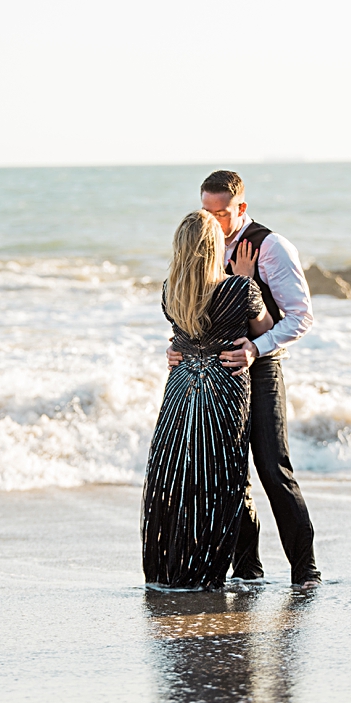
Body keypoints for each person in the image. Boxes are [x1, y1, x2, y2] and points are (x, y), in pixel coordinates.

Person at [168, 170, 322, 589]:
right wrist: (176, 344)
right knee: (230, 475)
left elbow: (301, 317)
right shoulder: (202, 247)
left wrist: (255, 348)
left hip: (262, 366)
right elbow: (193, 309)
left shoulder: (271, 247)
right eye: (207, 212)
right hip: (216, 375)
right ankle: (248, 570)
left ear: (241, 208)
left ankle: (305, 570)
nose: (214, 221)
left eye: (222, 213)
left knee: (274, 469)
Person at [142, 210, 273, 590]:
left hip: (181, 384)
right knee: (222, 474)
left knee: (178, 472)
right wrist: (247, 280)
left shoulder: (170, 290)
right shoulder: (240, 289)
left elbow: (185, 332)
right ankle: (221, 567)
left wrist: (179, 347)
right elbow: (263, 328)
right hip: (224, 386)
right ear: (214, 247)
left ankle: (173, 566)